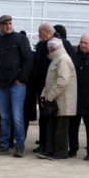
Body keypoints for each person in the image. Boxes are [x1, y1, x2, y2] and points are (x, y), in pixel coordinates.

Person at [0, 15, 32, 157]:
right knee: (4, 116)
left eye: (10, 23)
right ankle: (4, 145)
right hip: (2, 84)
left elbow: (28, 60)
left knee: (17, 116)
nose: (8, 26)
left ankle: (19, 145)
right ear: (0, 26)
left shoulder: (20, 38)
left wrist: (21, 79)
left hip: (16, 84)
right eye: (5, 24)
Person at [36, 38, 77, 160]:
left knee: (61, 129)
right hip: (55, 100)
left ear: (51, 48)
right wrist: (44, 95)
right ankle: (50, 150)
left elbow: (62, 82)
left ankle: (61, 152)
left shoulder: (63, 59)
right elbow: (50, 81)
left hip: (63, 101)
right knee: (52, 126)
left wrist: (49, 96)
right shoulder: (57, 59)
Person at [30, 23, 55, 153]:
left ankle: (50, 145)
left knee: (51, 116)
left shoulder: (59, 44)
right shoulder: (40, 46)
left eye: (40, 32)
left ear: (45, 32)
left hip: (53, 88)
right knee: (43, 117)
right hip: (41, 87)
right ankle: (43, 143)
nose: (39, 35)